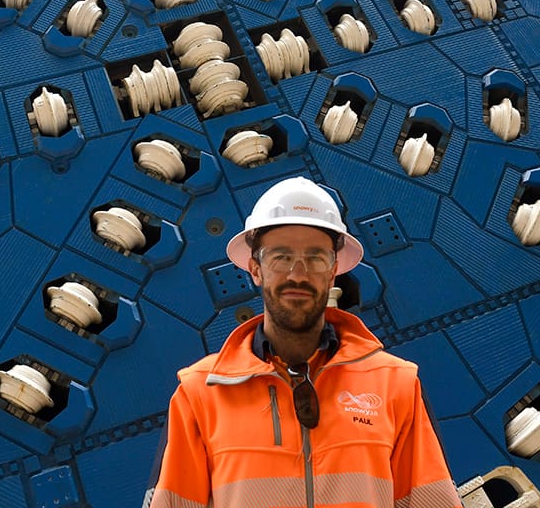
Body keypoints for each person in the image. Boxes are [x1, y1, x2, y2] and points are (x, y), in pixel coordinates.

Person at [146, 176, 462, 508]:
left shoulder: (395, 385)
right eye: (281, 257)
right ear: (255, 268)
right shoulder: (200, 393)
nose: (298, 273)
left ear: (334, 270)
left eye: (315, 258)